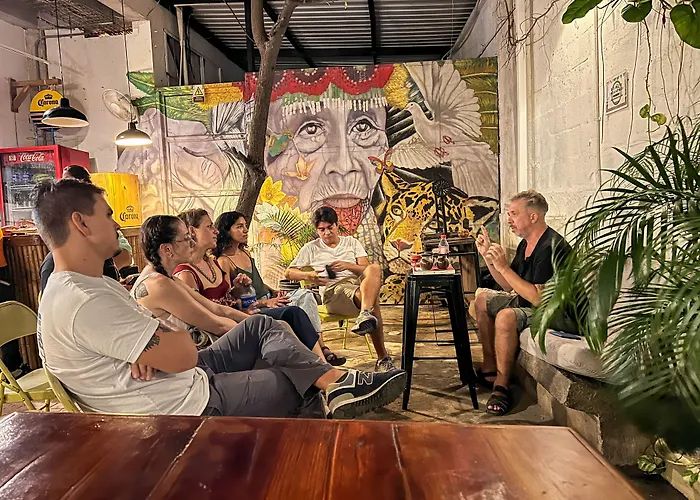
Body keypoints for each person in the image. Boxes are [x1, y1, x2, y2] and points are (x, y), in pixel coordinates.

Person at [35, 178, 407, 418]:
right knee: (297, 382)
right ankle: (306, 465)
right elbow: (183, 349)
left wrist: (146, 345)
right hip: (183, 402)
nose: (117, 223)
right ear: (81, 223)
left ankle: (336, 382)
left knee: (262, 327)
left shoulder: (90, 286)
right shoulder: (86, 299)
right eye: (108, 214)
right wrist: (151, 342)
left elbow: (180, 334)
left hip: (179, 374)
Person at [473, 190, 576, 416]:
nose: (509, 220)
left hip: (558, 313)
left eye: (514, 214)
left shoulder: (550, 247)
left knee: (506, 316)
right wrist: (489, 259)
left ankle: (502, 385)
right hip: (533, 304)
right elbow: (508, 285)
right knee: (481, 300)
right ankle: (490, 368)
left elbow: (538, 298)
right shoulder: (526, 244)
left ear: (533, 217)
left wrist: (503, 267)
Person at [175, 208, 327, 361]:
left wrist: (239, 289)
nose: (216, 231)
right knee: (288, 317)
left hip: (241, 313)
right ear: (192, 231)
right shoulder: (189, 272)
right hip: (226, 329)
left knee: (300, 303)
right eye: (209, 226)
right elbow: (206, 314)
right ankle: (319, 364)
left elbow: (227, 299)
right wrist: (247, 315)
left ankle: (319, 361)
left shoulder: (212, 262)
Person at [214, 211, 346, 366]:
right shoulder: (224, 261)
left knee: (305, 295)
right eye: (239, 226)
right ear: (226, 230)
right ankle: (320, 356)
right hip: (256, 306)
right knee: (295, 312)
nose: (245, 230)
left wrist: (274, 291)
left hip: (270, 298)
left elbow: (259, 283)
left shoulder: (245, 252)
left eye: (245, 226)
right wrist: (266, 302)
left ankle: (321, 348)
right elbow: (230, 299)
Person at [285, 206, 394, 372]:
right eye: (321, 230)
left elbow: (365, 269)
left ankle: (365, 315)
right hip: (333, 292)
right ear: (317, 230)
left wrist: (347, 266)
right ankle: (382, 357)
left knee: (375, 268)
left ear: (337, 225)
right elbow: (288, 273)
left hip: (356, 287)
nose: (327, 233)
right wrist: (309, 276)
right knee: (373, 303)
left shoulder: (351, 242)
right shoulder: (311, 248)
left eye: (330, 227)